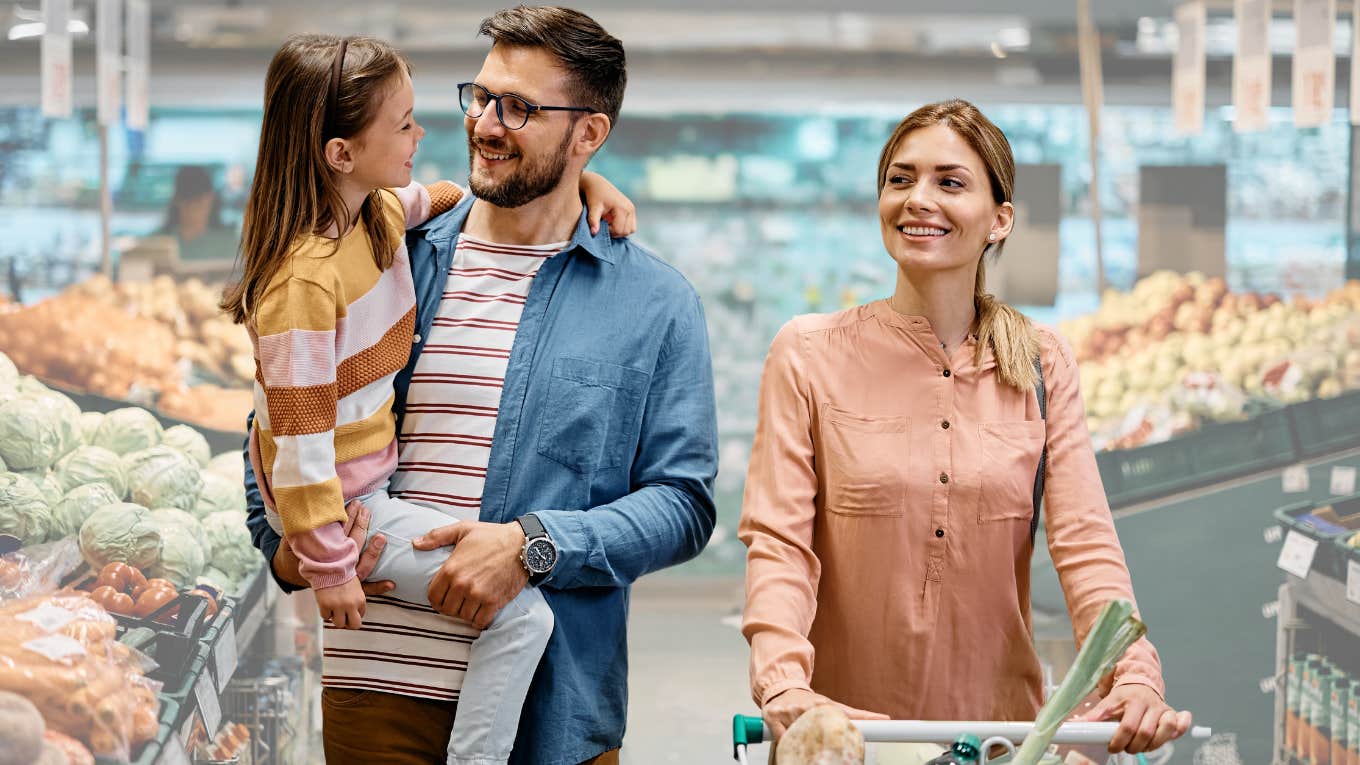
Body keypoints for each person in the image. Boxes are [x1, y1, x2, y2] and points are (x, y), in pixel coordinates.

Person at [242, 9, 718, 764]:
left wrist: (535, 545)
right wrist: (291, 551)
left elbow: (684, 504)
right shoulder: (389, 246)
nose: (485, 124)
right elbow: (279, 421)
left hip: (551, 709)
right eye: (480, 96)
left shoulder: (653, 303)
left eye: (520, 108)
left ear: (588, 134)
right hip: (378, 687)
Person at [738, 100, 1193, 758]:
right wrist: (783, 683)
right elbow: (778, 542)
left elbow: (1086, 545)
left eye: (950, 182)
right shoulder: (807, 353)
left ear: (999, 219)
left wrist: (1135, 674)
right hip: (844, 740)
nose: (918, 199)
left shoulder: (1039, 363)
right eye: (901, 179)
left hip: (1001, 740)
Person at [157, 165, 239, 261]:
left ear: (211, 199)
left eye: (199, 202)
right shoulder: (156, 243)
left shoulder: (229, 242)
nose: (193, 209)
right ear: (177, 201)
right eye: (188, 202)